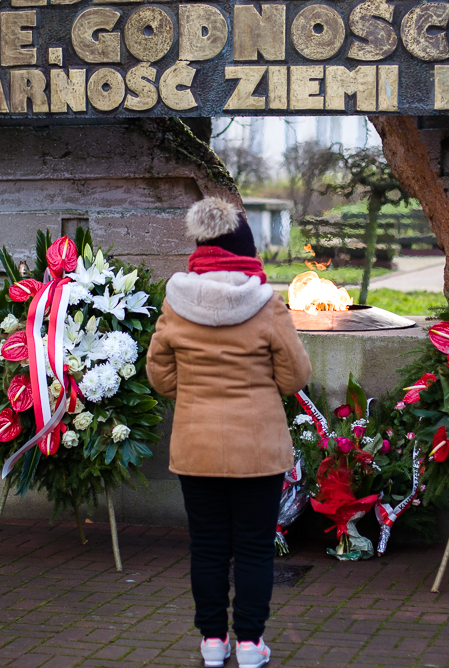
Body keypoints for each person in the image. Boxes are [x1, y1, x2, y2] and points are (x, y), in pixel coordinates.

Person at [148, 197, 311, 668]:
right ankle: (251, 644)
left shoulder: (176, 303)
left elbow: (159, 376)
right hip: (258, 450)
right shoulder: (267, 305)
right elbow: (295, 376)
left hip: (196, 447)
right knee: (255, 549)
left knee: (208, 548)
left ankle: (213, 642)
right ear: (247, 253)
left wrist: (193, 392)